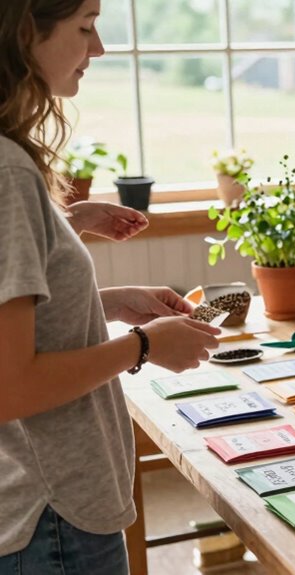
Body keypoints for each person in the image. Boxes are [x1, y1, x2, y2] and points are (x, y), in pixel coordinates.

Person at [0, 1, 221, 572]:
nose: (97, 49)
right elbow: (12, 385)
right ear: (27, 31)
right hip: (51, 516)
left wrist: (113, 303)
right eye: (85, 27)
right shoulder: (8, 171)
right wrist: (144, 347)